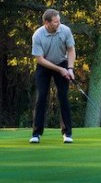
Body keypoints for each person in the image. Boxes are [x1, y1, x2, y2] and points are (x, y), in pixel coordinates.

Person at [30, 9, 76, 144]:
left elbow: (71, 50)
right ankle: (36, 133)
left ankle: (67, 133)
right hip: (44, 66)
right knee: (41, 96)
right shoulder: (37, 35)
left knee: (63, 97)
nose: (59, 24)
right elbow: (39, 59)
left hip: (62, 62)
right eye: (56, 22)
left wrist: (70, 68)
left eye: (59, 21)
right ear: (47, 23)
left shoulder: (65, 30)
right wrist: (60, 69)